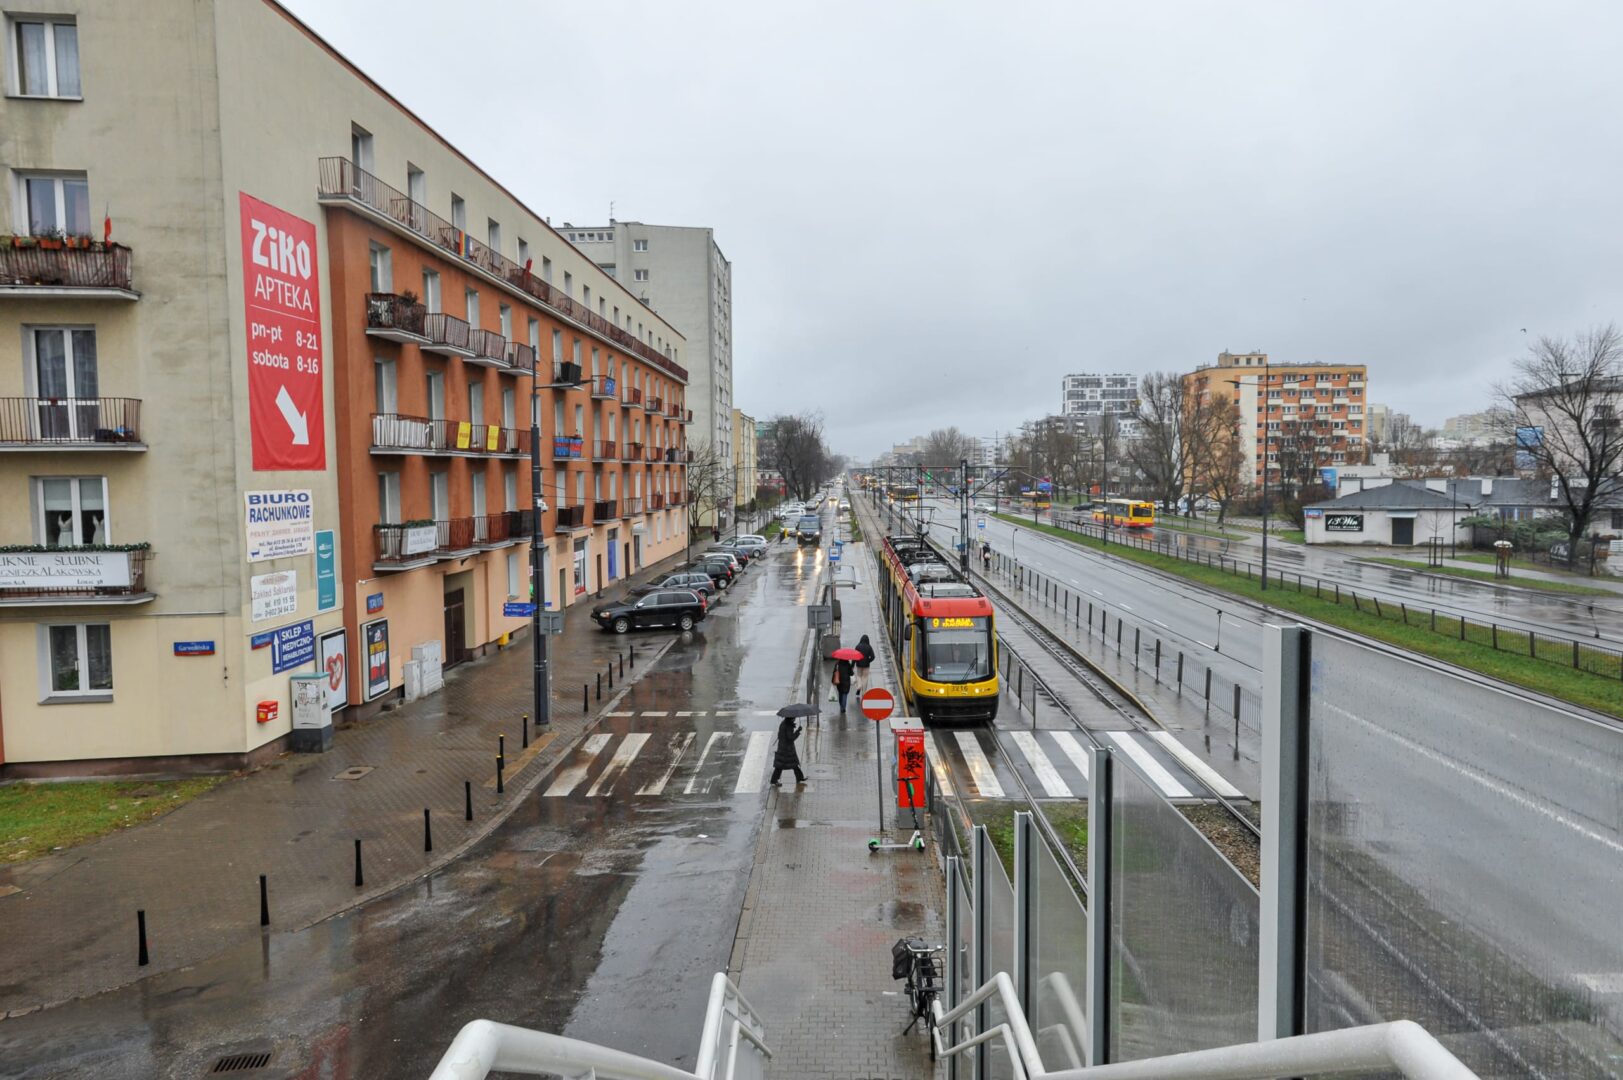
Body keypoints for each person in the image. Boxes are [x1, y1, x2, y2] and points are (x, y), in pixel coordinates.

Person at [771, 717, 805, 786]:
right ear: (791, 718)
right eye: (794, 718)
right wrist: (798, 731)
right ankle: (774, 780)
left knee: (791, 764)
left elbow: (780, 735)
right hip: (787, 749)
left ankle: (800, 778)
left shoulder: (784, 723)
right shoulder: (788, 726)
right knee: (782, 766)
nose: (795, 719)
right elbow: (791, 738)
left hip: (783, 747)